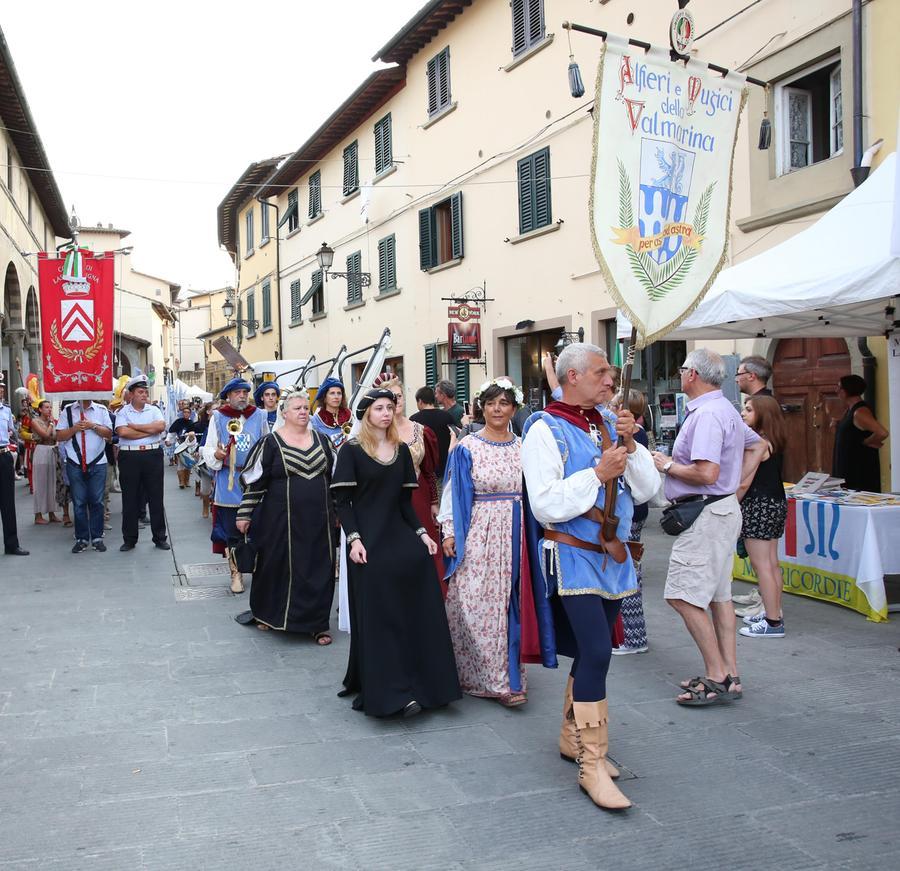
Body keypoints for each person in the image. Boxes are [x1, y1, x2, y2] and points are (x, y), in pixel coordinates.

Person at [521, 343, 658, 811]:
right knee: (597, 650)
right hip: (573, 555)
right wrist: (598, 473)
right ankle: (592, 765)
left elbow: (648, 491)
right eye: (601, 372)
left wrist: (632, 447)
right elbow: (545, 504)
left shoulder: (606, 422)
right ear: (572, 375)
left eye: (611, 372)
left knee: (591, 651)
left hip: (614, 557)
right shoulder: (543, 427)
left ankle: (570, 736)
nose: (610, 380)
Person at [332, 388, 461, 718]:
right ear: (366, 414)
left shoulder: (403, 451)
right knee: (382, 611)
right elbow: (342, 503)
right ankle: (391, 690)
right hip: (369, 541)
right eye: (379, 408)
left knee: (422, 594)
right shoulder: (352, 451)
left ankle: (429, 684)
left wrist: (423, 535)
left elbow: (405, 503)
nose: (386, 413)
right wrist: (354, 540)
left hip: (400, 535)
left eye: (390, 407)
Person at [650, 349, 767, 706]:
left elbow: (706, 472)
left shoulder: (708, 415)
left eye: (683, 368)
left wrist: (667, 465)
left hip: (706, 515)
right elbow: (760, 445)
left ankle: (716, 673)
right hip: (719, 511)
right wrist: (736, 487)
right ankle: (730, 674)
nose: (681, 373)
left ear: (692, 376)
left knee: (682, 596)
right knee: (719, 598)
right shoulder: (725, 409)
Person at [441, 377, 544, 707]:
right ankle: (475, 673)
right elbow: (451, 493)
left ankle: (506, 680)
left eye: (503, 403)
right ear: (481, 408)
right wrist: (450, 532)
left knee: (509, 605)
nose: (497, 409)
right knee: (472, 603)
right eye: (490, 403)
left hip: (517, 533)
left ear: (514, 408)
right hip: (480, 531)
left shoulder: (524, 446)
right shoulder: (468, 447)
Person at [234, 389, 336, 640]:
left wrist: (340, 510)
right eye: (297, 408)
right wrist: (244, 514)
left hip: (320, 521)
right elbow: (254, 482)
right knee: (277, 567)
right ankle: (270, 615)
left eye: (306, 408)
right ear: (284, 413)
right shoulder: (271, 443)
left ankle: (317, 623)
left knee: (319, 568)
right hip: (280, 521)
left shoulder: (323, 441)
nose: (303, 412)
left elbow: (336, 479)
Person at [375, 374, 443, 591]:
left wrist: (434, 501)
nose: (396, 402)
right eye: (390, 398)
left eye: (399, 396)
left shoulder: (420, 431)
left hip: (418, 497)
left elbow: (429, 470)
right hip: (386, 499)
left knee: (423, 548)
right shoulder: (375, 433)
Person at [202, 378, 267, 592]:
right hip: (228, 482)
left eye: (245, 392)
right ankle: (236, 573)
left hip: (254, 481)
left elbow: (268, 445)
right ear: (228, 396)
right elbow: (208, 448)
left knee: (258, 528)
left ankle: (259, 572)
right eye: (237, 392)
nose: (242, 396)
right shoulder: (219, 417)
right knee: (232, 532)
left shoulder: (259, 416)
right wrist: (217, 455)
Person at [736, 395, 788, 639]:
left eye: (748, 409)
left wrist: (732, 501)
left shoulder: (758, 443)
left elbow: (745, 479)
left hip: (758, 505)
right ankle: (773, 611)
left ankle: (773, 622)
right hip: (775, 503)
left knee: (762, 565)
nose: (743, 413)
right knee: (771, 563)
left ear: (763, 415)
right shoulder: (773, 440)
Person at [611, 390, 651, 655]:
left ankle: (634, 637)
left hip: (632, 513)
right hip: (635, 512)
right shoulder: (634, 431)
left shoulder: (633, 434)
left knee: (628, 576)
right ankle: (629, 634)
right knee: (628, 573)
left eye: (615, 404)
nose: (611, 407)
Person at [115, 376, 169, 552]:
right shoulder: (123, 412)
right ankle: (129, 539)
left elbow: (160, 427)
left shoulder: (154, 410)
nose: (144, 395)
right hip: (129, 457)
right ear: (131, 394)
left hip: (152, 454)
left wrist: (136, 427)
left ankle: (160, 537)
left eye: (146, 392)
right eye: (140, 392)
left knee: (156, 497)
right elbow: (123, 432)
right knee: (129, 498)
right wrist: (148, 429)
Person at [55, 398, 113, 553]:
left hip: (98, 461)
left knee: (97, 501)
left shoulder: (101, 410)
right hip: (74, 462)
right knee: (79, 502)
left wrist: (92, 425)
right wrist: (74, 428)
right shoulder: (67, 410)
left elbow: (109, 433)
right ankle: (81, 538)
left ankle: (97, 537)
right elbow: (59, 436)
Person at [832, 374, 888, 492]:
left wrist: (867, 441)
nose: (837, 391)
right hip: (848, 472)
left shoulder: (860, 412)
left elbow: (882, 432)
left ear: (847, 390)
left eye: (839, 387)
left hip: (858, 475)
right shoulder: (850, 410)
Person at [0, 376, 28, 556]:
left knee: (8, 503)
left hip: (3, 456)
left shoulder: (6, 411)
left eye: (2, 388)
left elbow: (11, 432)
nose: (1, 390)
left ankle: (12, 544)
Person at [409, 386, 455, 481]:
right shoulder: (447, 416)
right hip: (446, 466)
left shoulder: (414, 420)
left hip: (425, 468)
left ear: (420, 401)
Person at [29, 398, 60, 524]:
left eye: (50, 407)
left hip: (52, 450)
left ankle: (52, 512)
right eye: (46, 407)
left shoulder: (52, 422)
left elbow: (56, 436)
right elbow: (45, 435)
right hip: (41, 449)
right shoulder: (35, 421)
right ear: (40, 409)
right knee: (41, 483)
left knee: (52, 482)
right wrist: (51, 424)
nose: (49, 409)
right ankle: (38, 515)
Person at [311, 377, 351, 450]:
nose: (336, 397)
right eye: (332, 393)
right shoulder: (316, 420)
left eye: (339, 393)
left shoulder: (350, 415)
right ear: (324, 397)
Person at [168, 405, 196, 489]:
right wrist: (168, 440)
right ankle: (181, 482)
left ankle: (187, 481)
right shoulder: (178, 422)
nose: (186, 414)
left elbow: (196, 434)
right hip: (180, 444)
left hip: (190, 445)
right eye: (185, 412)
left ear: (190, 414)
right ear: (182, 413)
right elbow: (171, 433)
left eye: (188, 412)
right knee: (180, 463)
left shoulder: (192, 423)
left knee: (188, 464)